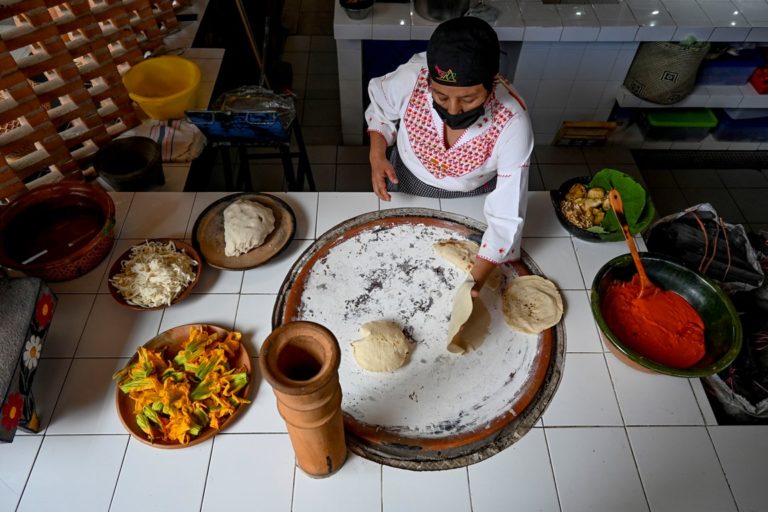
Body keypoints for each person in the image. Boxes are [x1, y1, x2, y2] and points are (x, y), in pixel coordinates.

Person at [365, 16, 534, 297]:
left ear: (492, 84)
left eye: (468, 99)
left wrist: (473, 284)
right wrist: (377, 153)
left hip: (473, 197)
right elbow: (381, 108)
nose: (454, 110)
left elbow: (506, 217)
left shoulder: (512, 121)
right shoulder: (412, 78)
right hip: (408, 180)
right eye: (442, 97)